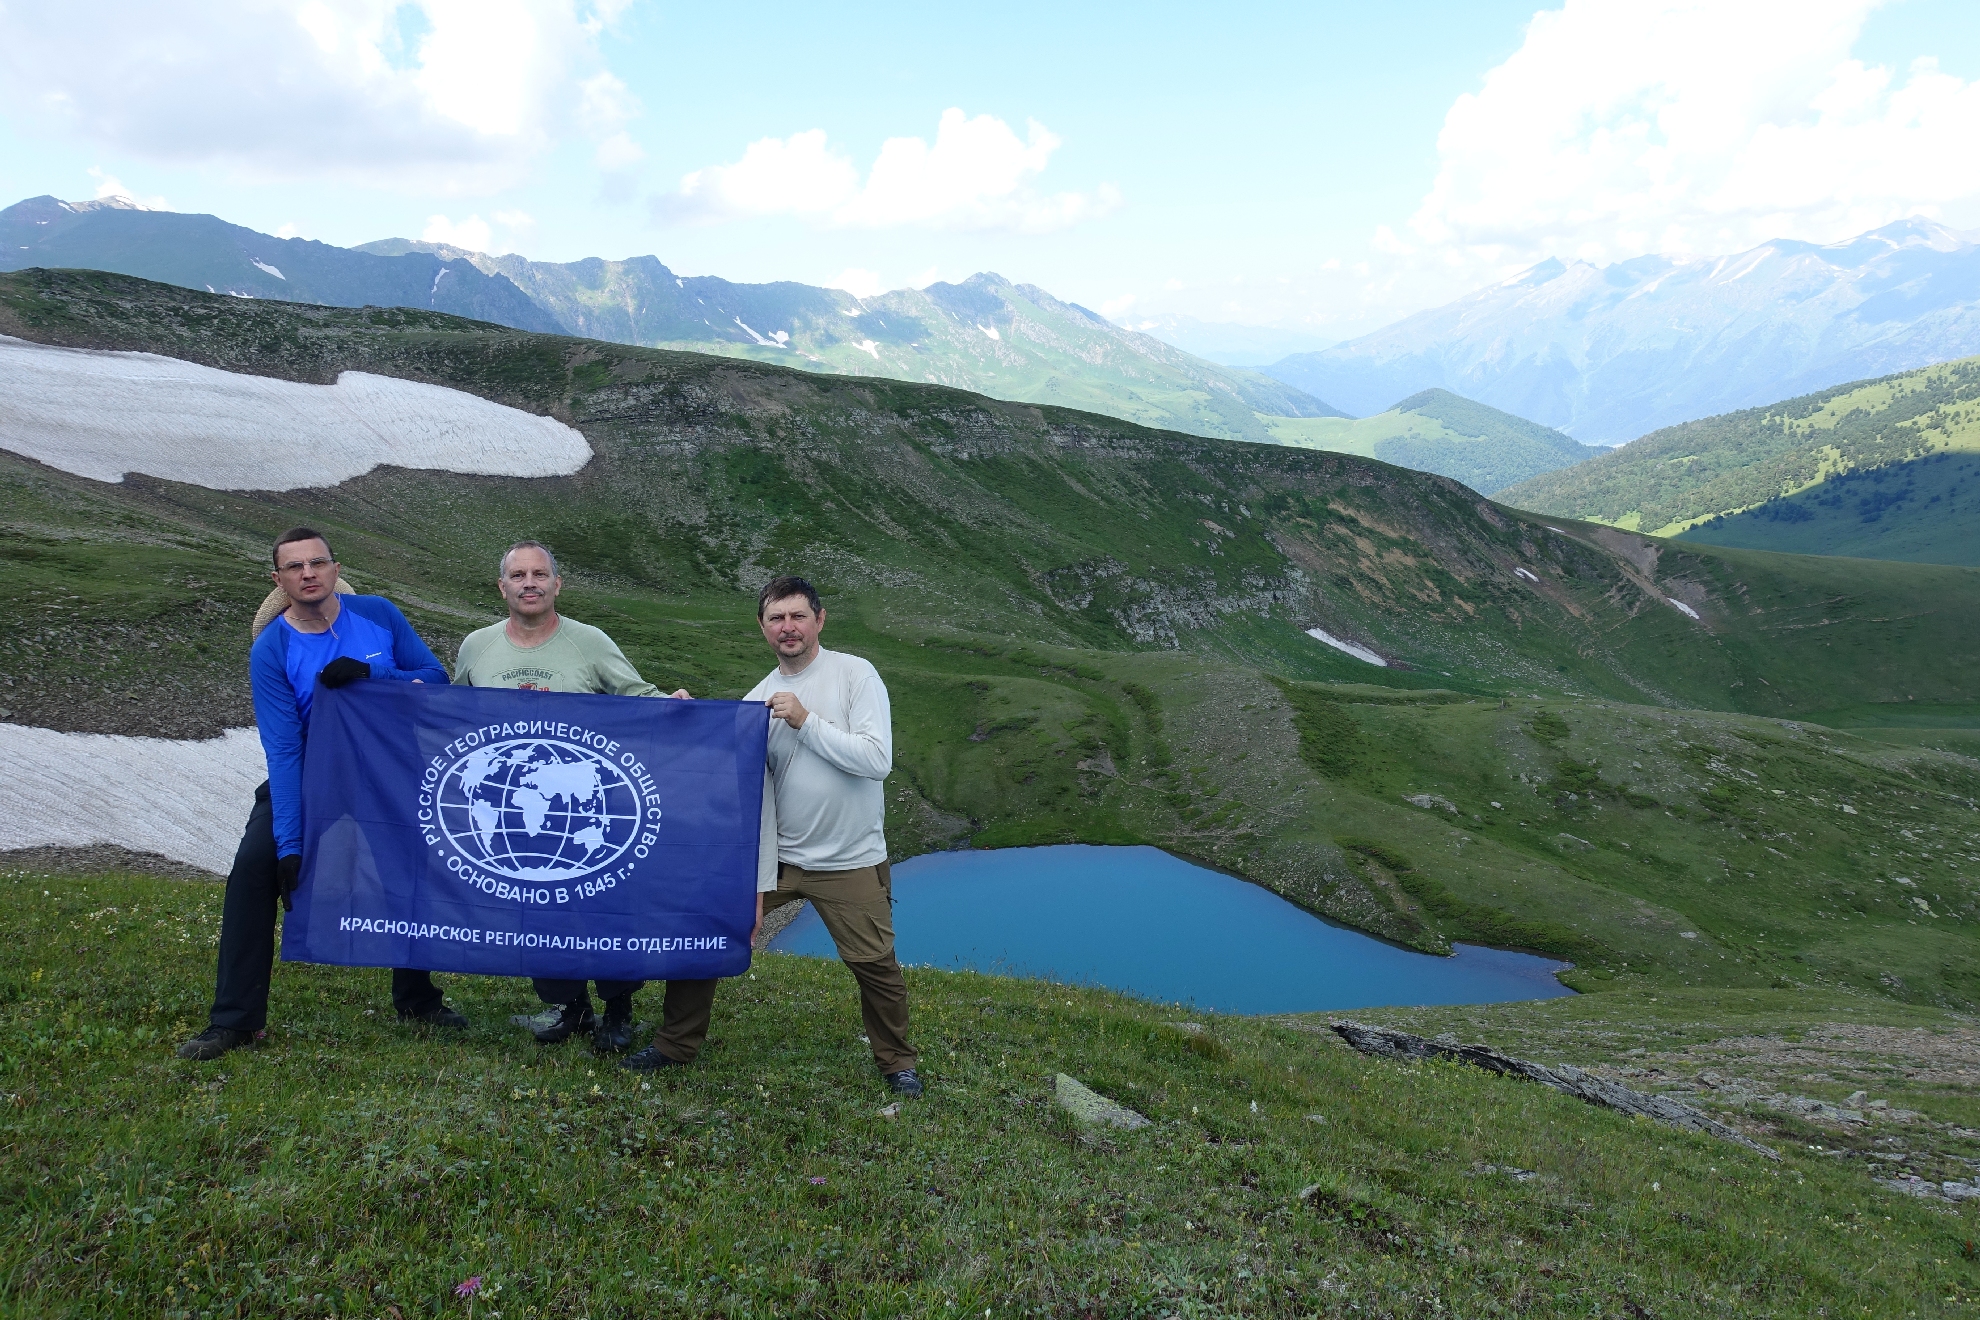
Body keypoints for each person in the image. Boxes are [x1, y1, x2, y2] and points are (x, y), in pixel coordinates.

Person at [456, 540, 770, 1059]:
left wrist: (673, 708)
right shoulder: (477, 646)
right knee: (535, 907)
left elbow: (633, 694)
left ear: (558, 584)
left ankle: (617, 1009)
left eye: (540, 574)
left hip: (579, 801)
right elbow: (454, 708)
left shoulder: (589, 641)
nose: (529, 583)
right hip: (516, 804)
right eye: (518, 575)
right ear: (502, 586)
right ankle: (568, 1007)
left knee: (595, 909)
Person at [177, 527, 460, 1061]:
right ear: (278, 579)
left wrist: (372, 671)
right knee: (253, 870)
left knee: (408, 869)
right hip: (312, 774)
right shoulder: (273, 649)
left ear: (334, 569)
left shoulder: (378, 614)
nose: (308, 574)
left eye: (317, 563)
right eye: (294, 567)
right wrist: (289, 844)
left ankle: (418, 999)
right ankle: (234, 1020)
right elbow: (283, 751)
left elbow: (435, 678)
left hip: (387, 772)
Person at [732, 575, 920, 1096]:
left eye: (797, 616)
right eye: (776, 618)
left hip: (850, 860)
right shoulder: (757, 697)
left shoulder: (855, 675)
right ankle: (675, 1043)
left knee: (875, 966)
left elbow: (876, 760)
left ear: (819, 620)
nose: (787, 627)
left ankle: (897, 1062)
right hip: (780, 860)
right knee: (715, 932)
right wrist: (679, 714)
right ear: (763, 626)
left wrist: (805, 722)